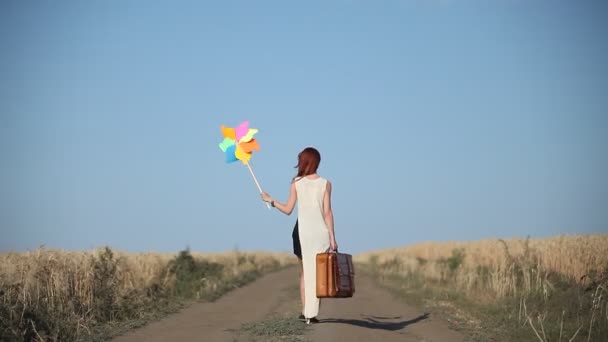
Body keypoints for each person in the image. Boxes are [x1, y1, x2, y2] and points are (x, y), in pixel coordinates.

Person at [261, 147, 338, 324]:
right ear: (317, 162)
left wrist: (270, 200)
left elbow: (288, 210)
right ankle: (311, 312)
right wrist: (332, 237)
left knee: (306, 273)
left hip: (302, 231)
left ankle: (307, 312)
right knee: (318, 273)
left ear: (303, 162)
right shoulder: (326, 183)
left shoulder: (296, 182)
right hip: (321, 232)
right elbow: (327, 212)